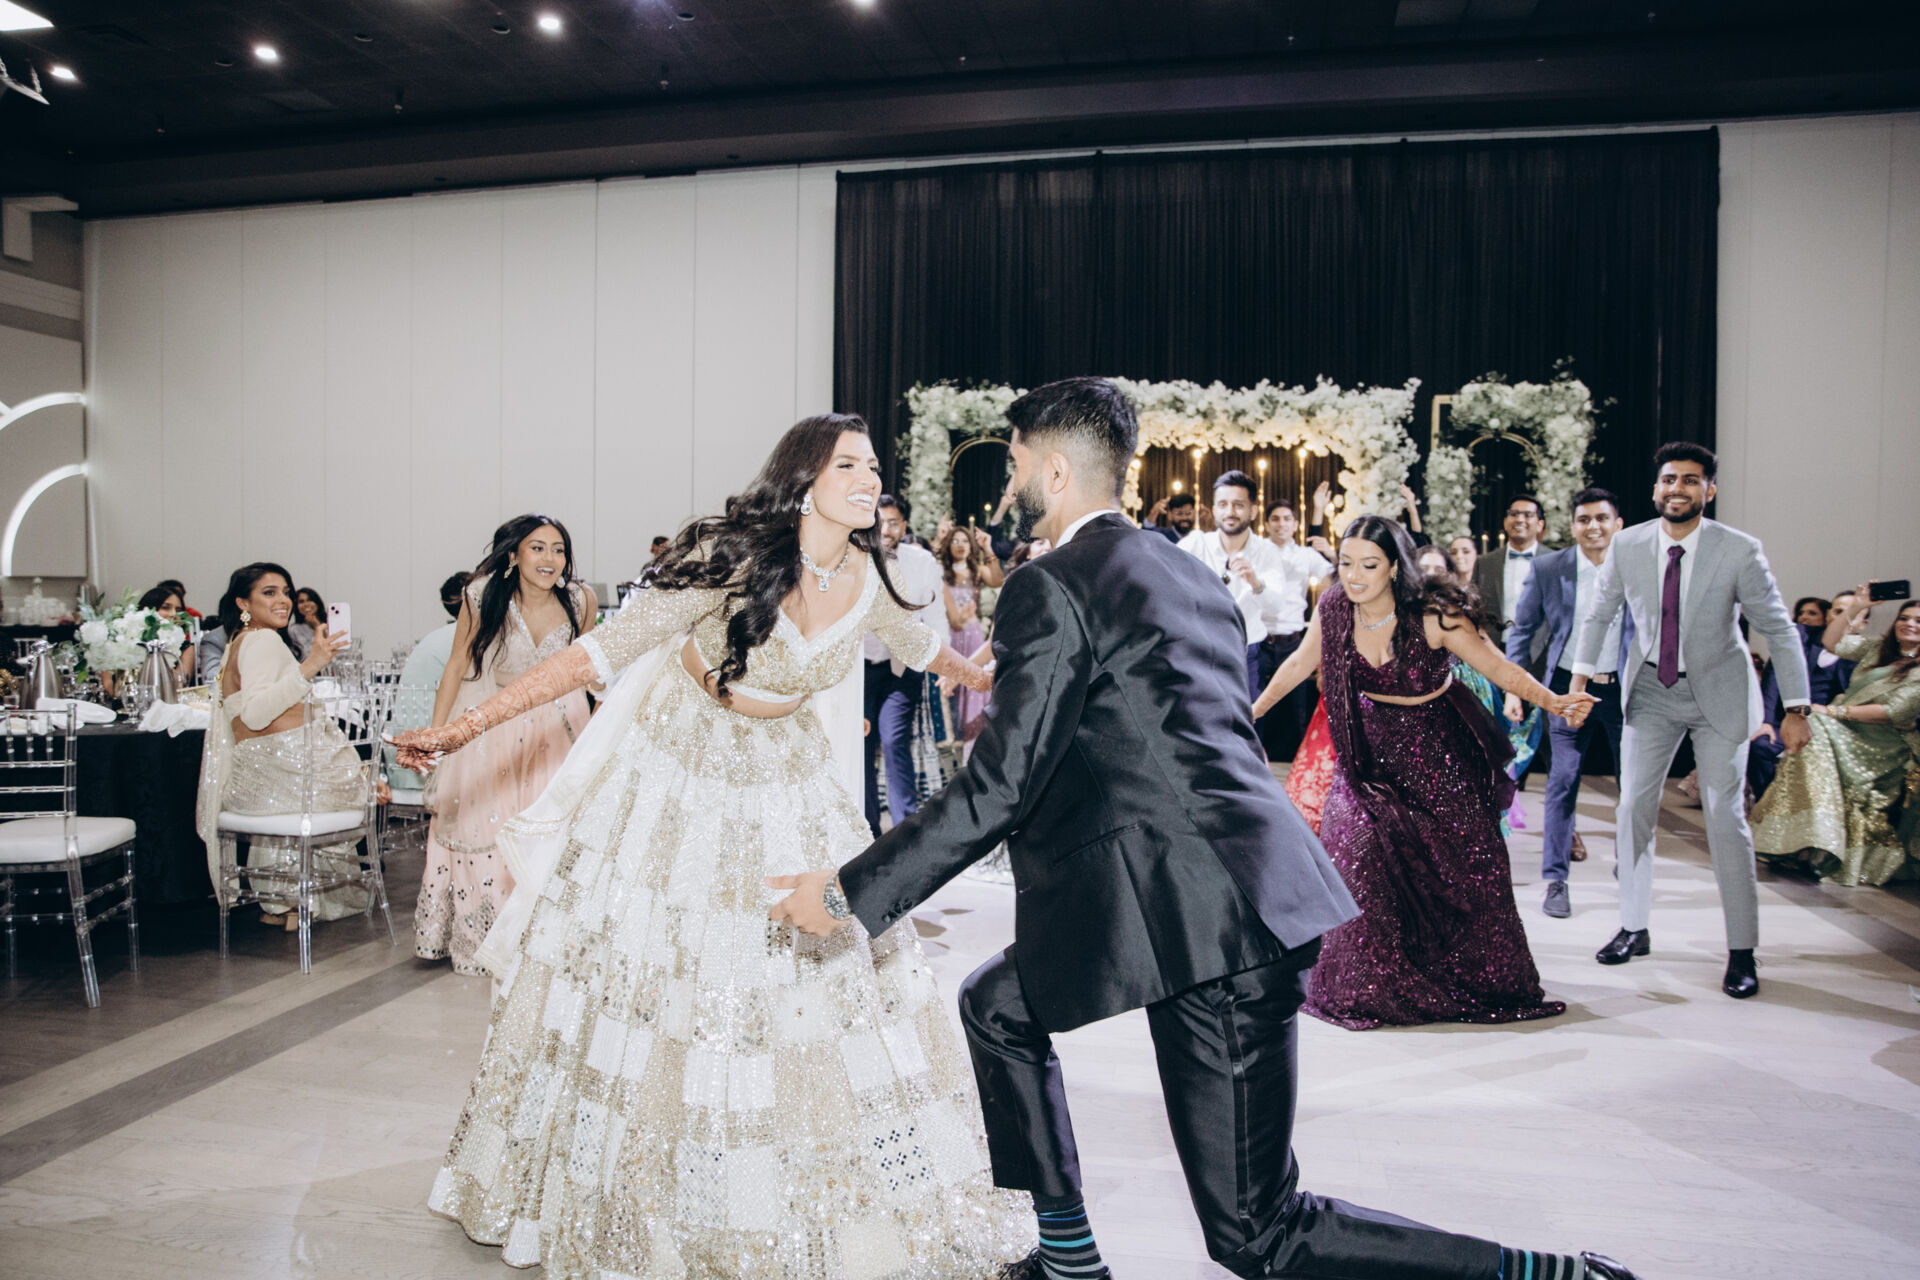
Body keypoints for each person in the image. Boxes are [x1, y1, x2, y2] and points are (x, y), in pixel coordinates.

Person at [770, 380, 1639, 1280]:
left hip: (1218, 926)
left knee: (1258, 1234)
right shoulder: (1185, 572)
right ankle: (1068, 1260)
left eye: (1018, 462)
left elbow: (998, 787)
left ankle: (1550, 1275)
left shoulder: (1049, 585)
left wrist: (847, 895)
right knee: (997, 1006)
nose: (1011, 481)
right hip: (1192, 888)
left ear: (1055, 470)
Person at [391, 415, 1025, 1279]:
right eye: (848, 465)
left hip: (790, 778)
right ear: (804, 479)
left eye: (874, 466)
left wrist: (992, 669)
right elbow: (593, 656)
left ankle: (788, 1178)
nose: (869, 479)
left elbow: (928, 651)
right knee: (667, 969)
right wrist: (461, 728)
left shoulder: (865, 576)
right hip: (683, 769)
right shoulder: (730, 559)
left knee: (816, 969)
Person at [1254, 516, 1586, 1031]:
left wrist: (1554, 701)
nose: (1355, 575)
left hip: (1438, 758)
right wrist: (1250, 713)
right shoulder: (1334, 607)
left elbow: (1498, 667)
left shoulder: (1433, 616)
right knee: (1358, 856)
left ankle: (1461, 976)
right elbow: (1299, 663)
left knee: (1465, 872)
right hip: (1365, 760)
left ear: (1394, 567)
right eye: (1346, 563)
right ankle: (1369, 990)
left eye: (1369, 565)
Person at [1569, 441, 1810, 1000]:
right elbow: (1600, 615)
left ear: (1710, 490)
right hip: (1651, 690)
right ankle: (1633, 927)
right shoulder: (1628, 544)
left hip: (1719, 694)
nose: (1677, 488)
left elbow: (1779, 629)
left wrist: (1796, 708)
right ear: (1656, 488)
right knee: (1632, 808)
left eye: (1690, 480)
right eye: (1669, 479)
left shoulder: (1739, 550)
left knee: (1725, 818)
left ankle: (1742, 950)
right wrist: (1577, 683)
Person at [414, 517, 596, 977]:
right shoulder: (482, 596)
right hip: (496, 726)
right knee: (489, 831)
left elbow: (587, 668)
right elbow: (457, 665)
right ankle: (488, 940)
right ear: (514, 555)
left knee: (552, 831)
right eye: (538, 548)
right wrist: (439, 734)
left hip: (559, 728)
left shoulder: (581, 600)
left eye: (558, 549)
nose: (550, 559)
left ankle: (543, 941)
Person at [195, 562, 366, 930]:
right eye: (269, 593)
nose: (284, 601)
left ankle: (282, 898)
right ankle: (297, 897)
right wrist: (311, 665)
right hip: (279, 775)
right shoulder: (262, 640)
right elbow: (256, 714)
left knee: (351, 774)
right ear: (243, 602)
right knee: (362, 785)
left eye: (286, 592)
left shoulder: (240, 641)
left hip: (256, 782)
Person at [1504, 487, 1633, 918]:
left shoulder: (1635, 566)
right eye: (1584, 519)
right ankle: (1556, 880)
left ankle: (1630, 865)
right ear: (1573, 526)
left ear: (1618, 524)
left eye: (1602, 518)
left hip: (1624, 689)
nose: (1593, 526)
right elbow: (1523, 630)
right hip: (1566, 688)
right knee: (1562, 781)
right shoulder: (1549, 567)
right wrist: (1515, 688)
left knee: (1633, 786)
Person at [1753, 593, 1920, 885]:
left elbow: (1894, 712)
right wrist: (1858, 605)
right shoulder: (1878, 649)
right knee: (1812, 731)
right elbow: (1831, 642)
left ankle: (1814, 843)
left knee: (1814, 725)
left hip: (1884, 743)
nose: (1909, 624)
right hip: (1845, 728)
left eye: (1918, 621)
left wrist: (1832, 711)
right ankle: (1807, 839)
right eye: (1904, 618)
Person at [1413, 544, 1543, 839]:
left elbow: (1494, 655)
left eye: (1438, 569)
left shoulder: (1459, 611)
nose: (1430, 574)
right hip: (1423, 699)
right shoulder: (1399, 610)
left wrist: (1514, 693)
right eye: (1424, 568)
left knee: (1469, 773)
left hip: (1468, 697)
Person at [862, 494, 946, 833]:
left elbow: (936, 616)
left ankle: (903, 831)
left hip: (902, 667)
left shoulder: (922, 561)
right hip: (859, 669)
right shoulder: (853, 558)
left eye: (893, 522)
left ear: (904, 526)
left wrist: (944, 666)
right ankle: (867, 827)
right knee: (862, 744)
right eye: (879, 522)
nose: (885, 529)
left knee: (895, 739)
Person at [1177, 470, 1287, 701]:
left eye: (1238, 505)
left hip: (1247, 656)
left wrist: (1255, 583)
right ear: (1214, 509)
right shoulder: (1195, 544)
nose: (1230, 512)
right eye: (1223, 504)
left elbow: (1276, 606)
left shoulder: (1267, 551)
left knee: (1248, 718)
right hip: (1200, 654)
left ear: (1253, 511)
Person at [1254, 498, 1333, 760]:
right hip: (1259, 641)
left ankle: (1298, 770)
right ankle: (1255, 764)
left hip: (1292, 642)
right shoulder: (1256, 551)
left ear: (1296, 524)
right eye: (1275, 519)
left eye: (1287, 519)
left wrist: (1332, 553)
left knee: (1296, 711)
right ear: (1266, 524)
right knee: (1257, 707)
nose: (1281, 524)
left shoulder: (1305, 555)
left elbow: (1334, 577)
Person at [937, 523, 994, 750]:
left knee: (972, 685)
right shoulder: (941, 573)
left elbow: (998, 580)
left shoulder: (977, 571)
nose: (960, 545)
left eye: (964, 541)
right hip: (952, 636)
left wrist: (988, 549)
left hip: (973, 636)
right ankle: (956, 739)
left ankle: (974, 743)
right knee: (951, 686)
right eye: (954, 541)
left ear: (971, 545)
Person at [1473, 494, 1546, 651]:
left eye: (1528, 515)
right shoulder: (1485, 563)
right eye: (1514, 514)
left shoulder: (1556, 561)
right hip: (1494, 649)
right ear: (1506, 522)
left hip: (1541, 652)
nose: (1519, 519)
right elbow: (1473, 609)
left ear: (1540, 525)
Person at [136, 582, 197, 685]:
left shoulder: (186, 648)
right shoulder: (131, 640)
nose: (173, 614)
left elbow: (180, 684)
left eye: (178, 610)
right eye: (166, 607)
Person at [287, 586, 326, 661]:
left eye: (310, 600)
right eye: (301, 601)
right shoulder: (294, 630)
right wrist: (317, 628)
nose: (306, 604)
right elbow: (305, 657)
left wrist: (318, 626)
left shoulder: (331, 624)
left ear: (317, 603)